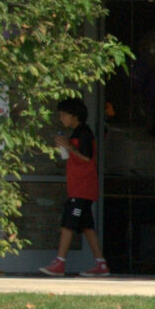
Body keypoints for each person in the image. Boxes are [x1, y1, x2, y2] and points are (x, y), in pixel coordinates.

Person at [43, 99, 109, 276]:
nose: (61, 118)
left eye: (64, 114)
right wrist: (65, 147)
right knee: (87, 225)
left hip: (83, 187)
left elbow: (87, 157)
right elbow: (72, 157)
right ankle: (101, 263)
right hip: (78, 187)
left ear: (74, 115)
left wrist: (68, 146)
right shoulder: (75, 134)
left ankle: (60, 262)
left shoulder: (84, 133)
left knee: (68, 223)